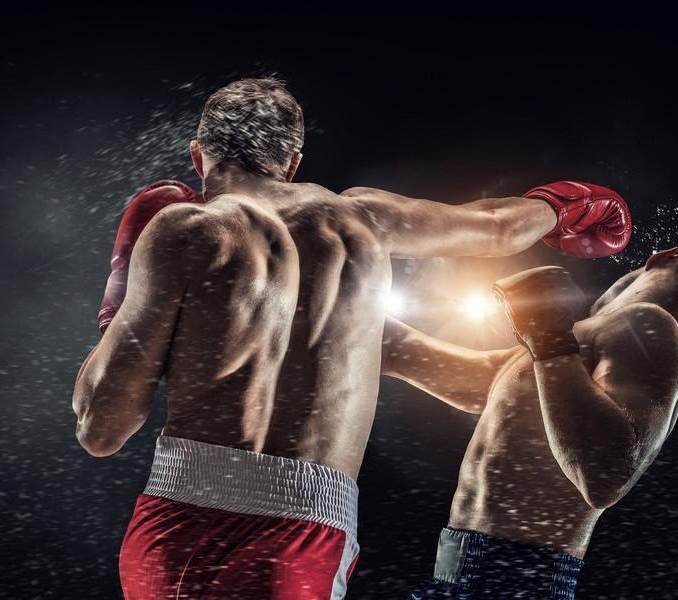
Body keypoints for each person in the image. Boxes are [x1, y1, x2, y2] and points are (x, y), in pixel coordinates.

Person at [72, 77, 632, 599]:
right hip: (315, 533)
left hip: (188, 518)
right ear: (292, 161)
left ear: (199, 156)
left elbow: (102, 428)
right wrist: (561, 208)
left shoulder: (186, 231)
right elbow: (497, 228)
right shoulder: (365, 221)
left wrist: (117, 307)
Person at [381, 247, 678, 599]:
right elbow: (410, 355)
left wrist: (547, 336)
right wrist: (347, 290)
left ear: (663, 255)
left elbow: (605, 477)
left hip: (513, 579)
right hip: (464, 576)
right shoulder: (573, 350)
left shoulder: (649, 323)